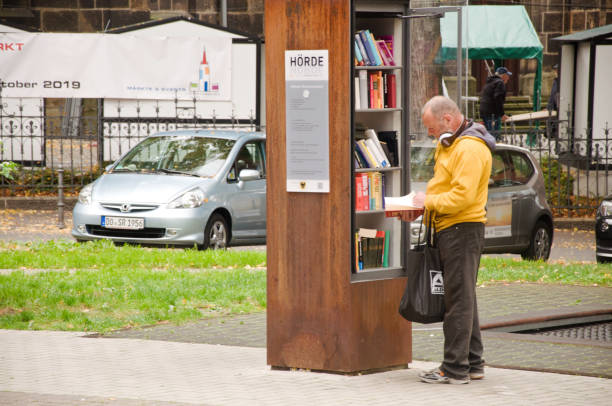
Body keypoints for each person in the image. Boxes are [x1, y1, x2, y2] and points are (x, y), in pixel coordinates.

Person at [411, 96, 496, 384]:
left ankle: (454, 368)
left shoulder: (470, 149)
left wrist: (428, 202)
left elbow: (463, 197)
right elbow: (446, 187)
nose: (430, 134)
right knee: (464, 296)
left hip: (462, 229)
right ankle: (473, 362)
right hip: (452, 228)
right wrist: (423, 206)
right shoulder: (451, 144)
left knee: (457, 301)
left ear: (448, 119)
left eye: (431, 127)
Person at [479, 66, 512, 139]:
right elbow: (498, 99)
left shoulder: (490, 82)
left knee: (489, 133)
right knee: (494, 135)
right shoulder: (500, 83)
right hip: (492, 113)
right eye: (507, 76)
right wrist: (502, 114)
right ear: (503, 75)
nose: (508, 78)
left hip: (484, 111)